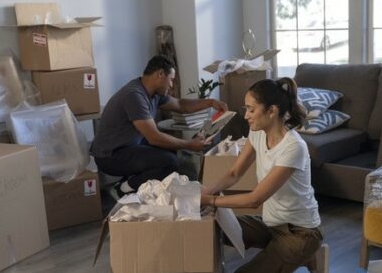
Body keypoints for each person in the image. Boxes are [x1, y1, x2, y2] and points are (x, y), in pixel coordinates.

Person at [200, 78, 323, 272]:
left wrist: (209, 201)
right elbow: (234, 173)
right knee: (211, 226)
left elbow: (254, 200)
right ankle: (297, 257)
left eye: (251, 109)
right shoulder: (257, 133)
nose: (246, 115)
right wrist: (206, 192)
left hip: (299, 233)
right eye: (246, 109)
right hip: (271, 224)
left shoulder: (293, 147)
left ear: (271, 111)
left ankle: (303, 254)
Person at [91, 54, 227, 198]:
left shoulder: (153, 93)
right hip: (109, 156)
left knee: (171, 151)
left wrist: (211, 102)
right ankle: (123, 188)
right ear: (160, 74)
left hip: (127, 146)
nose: (171, 85)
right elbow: (154, 138)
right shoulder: (134, 96)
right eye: (171, 79)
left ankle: (131, 183)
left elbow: (181, 105)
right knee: (169, 162)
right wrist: (189, 144)